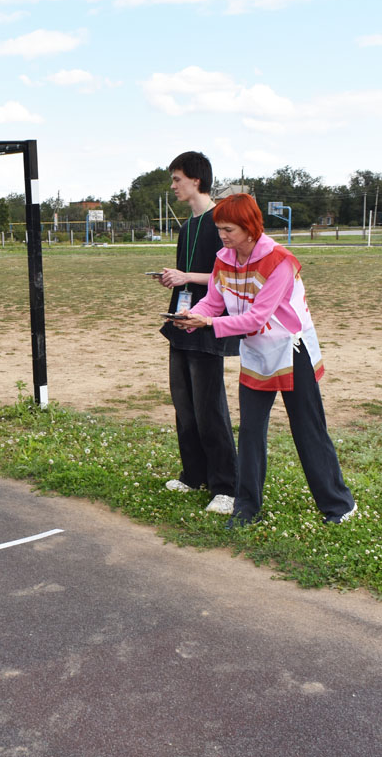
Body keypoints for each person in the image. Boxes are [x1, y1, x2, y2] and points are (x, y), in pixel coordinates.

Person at [174, 193, 357, 527]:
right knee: (250, 432)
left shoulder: (279, 261)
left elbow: (257, 317)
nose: (222, 236)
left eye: (228, 229)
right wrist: (190, 317)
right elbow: (213, 302)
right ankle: (246, 509)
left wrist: (210, 324)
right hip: (257, 352)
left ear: (250, 228)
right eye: (219, 229)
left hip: (291, 349)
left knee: (308, 429)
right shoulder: (223, 259)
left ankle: (339, 504)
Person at [155, 151, 239, 514]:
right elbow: (187, 276)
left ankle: (226, 487)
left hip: (208, 325)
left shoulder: (221, 222)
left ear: (196, 180)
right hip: (181, 321)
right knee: (184, 404)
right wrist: (173, 280)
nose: (173, 186)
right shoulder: (186, 226)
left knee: (209, 408)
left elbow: (229, 276)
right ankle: (193, 475)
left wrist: (187, 277)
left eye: (177, 179)